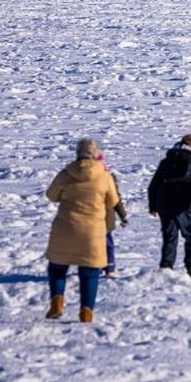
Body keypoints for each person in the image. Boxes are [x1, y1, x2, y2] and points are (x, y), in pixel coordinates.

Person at [45, 138, 119, 323]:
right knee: (89, 273)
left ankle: (57, 300)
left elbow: (51, 195)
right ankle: (86, 311)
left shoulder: (66, 173)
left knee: (57, 268)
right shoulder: (104, 175)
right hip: (92, 233)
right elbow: (113, 201)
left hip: (65, 229)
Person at [147, 135, 191, 283]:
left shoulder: (166, 161)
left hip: (164, 204)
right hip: (182, 205)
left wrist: (153, 206)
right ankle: (190, 270)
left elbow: (153, 185)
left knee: (169, 237)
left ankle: (166, 269)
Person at [98, 152, 129, 277]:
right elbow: (117, 202)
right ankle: (109, 269)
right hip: (105, 222)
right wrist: (123, 217)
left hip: (95, 222)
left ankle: (101, 268)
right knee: (107, 245)